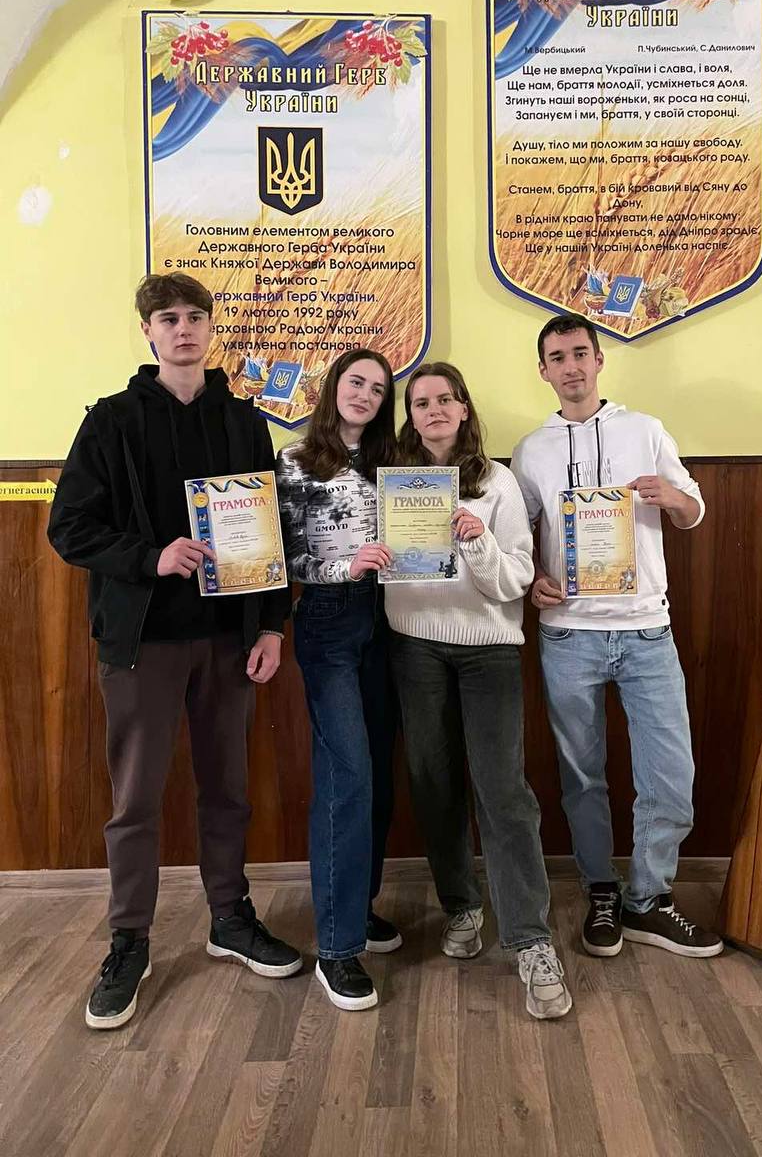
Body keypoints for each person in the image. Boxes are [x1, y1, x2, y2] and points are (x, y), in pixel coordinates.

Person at [48, 272, 302, 1032]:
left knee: (228, 788)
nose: (183, 329)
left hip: (228, 640)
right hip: (142, 642)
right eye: (168, 318)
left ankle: (230, 917)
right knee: (136, 800)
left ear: (211, 327)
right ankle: (129, 941)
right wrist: (150, 557)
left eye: (195, 316)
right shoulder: (111, 421)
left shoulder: (245, 423)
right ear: (149, 332)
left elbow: (269, 533)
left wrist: (269, 626)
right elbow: (69, 528)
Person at [510, 314, 723, 961]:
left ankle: (648, 898)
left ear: (599, 360)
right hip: (568, 635)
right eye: (557, 357)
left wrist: (674, 499)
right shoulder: (531, 450)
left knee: (670, 774)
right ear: (542, 371)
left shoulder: (645, 431)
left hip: (646, 630)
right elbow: (519, 536)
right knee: (582, 777)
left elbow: (694, 511)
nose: (571, 366)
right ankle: (602, 890)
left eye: (580, 353)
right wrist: (534, 580)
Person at [386, 362, 572, 1020]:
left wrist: (479, 540)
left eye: (446, 399)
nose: (434, 410)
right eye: (421, 402)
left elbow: (514, 580)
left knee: (503, 792)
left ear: (464, 409)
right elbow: (385, 571)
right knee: (433, 782)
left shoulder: (497, 482)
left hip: (488, 649)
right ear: (411, 416)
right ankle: (462, 906)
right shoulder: (393, 481)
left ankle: (531, 939)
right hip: (414, 646)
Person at [275, 348, 399, 1011]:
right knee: (347, 775)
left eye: (378, 389)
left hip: (388, 618)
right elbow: (283, 554)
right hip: (328, 621)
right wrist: (341, 567)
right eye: (357, 382)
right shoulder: (297, 460)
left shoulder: (391, 465)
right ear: (334, 387)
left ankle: (358, 907)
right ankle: (337, 948)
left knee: (377, 773)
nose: (366, 395)